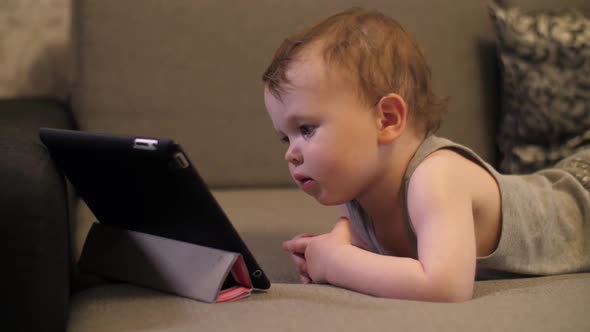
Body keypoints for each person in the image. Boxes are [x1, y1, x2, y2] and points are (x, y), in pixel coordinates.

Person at [261, 7, 590, 302]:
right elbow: (383, 263)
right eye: (284, 139)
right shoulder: (359, 193)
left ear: (387, 119)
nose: (291, 154)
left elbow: (445, 286)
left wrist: (335, 263)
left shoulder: (437, 177)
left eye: (306, 129)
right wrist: (337, 244)